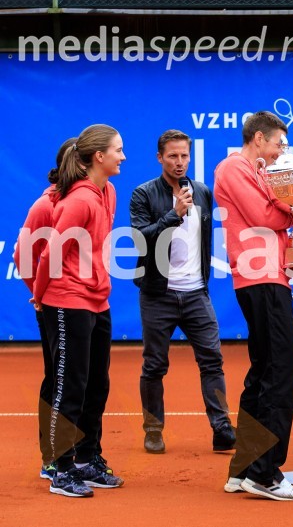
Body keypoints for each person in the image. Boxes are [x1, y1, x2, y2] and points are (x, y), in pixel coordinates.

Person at [214, 111, 293, 501]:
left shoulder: (261, 173)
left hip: (270, 277)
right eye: (279, 143)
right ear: (258, 138)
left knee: (264, 373)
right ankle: (264, 474)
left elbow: (279, 221)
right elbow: (263, 215)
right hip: (260, 279)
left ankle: (244, 467)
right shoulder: (233, 167)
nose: (283, 152)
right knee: (282, 373)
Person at [32, 124, 126, 497]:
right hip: (65, 298)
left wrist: (98, 284)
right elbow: (50, 253)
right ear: (98, 157)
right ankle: (61, 468)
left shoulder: (109, 192)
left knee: (96, 384)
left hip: (96, 298)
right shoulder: (78, 201)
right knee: (69, 385)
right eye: (118, 150)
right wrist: (39, 295)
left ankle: (87, 459)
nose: (123, 156)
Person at [130, 129, 235, 454]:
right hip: (157, 294)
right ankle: (153, 429)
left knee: (212, 361)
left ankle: (221, 429)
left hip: (196, 293)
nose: (179, 162)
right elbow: (139, 237)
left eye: (184, 156)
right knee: (154, 365)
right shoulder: (143, 194)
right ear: (160, 157)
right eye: (172, 156)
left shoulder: (202, 192)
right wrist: (172, 216)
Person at [14, 137, 76, 481]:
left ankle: (78, 454)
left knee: (78, 382)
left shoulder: (91, 198)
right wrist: (39, 294)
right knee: (57, 379)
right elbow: (22, 256)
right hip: (54, 305)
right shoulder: (46, 204)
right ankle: (51, 457)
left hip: (81, 305)